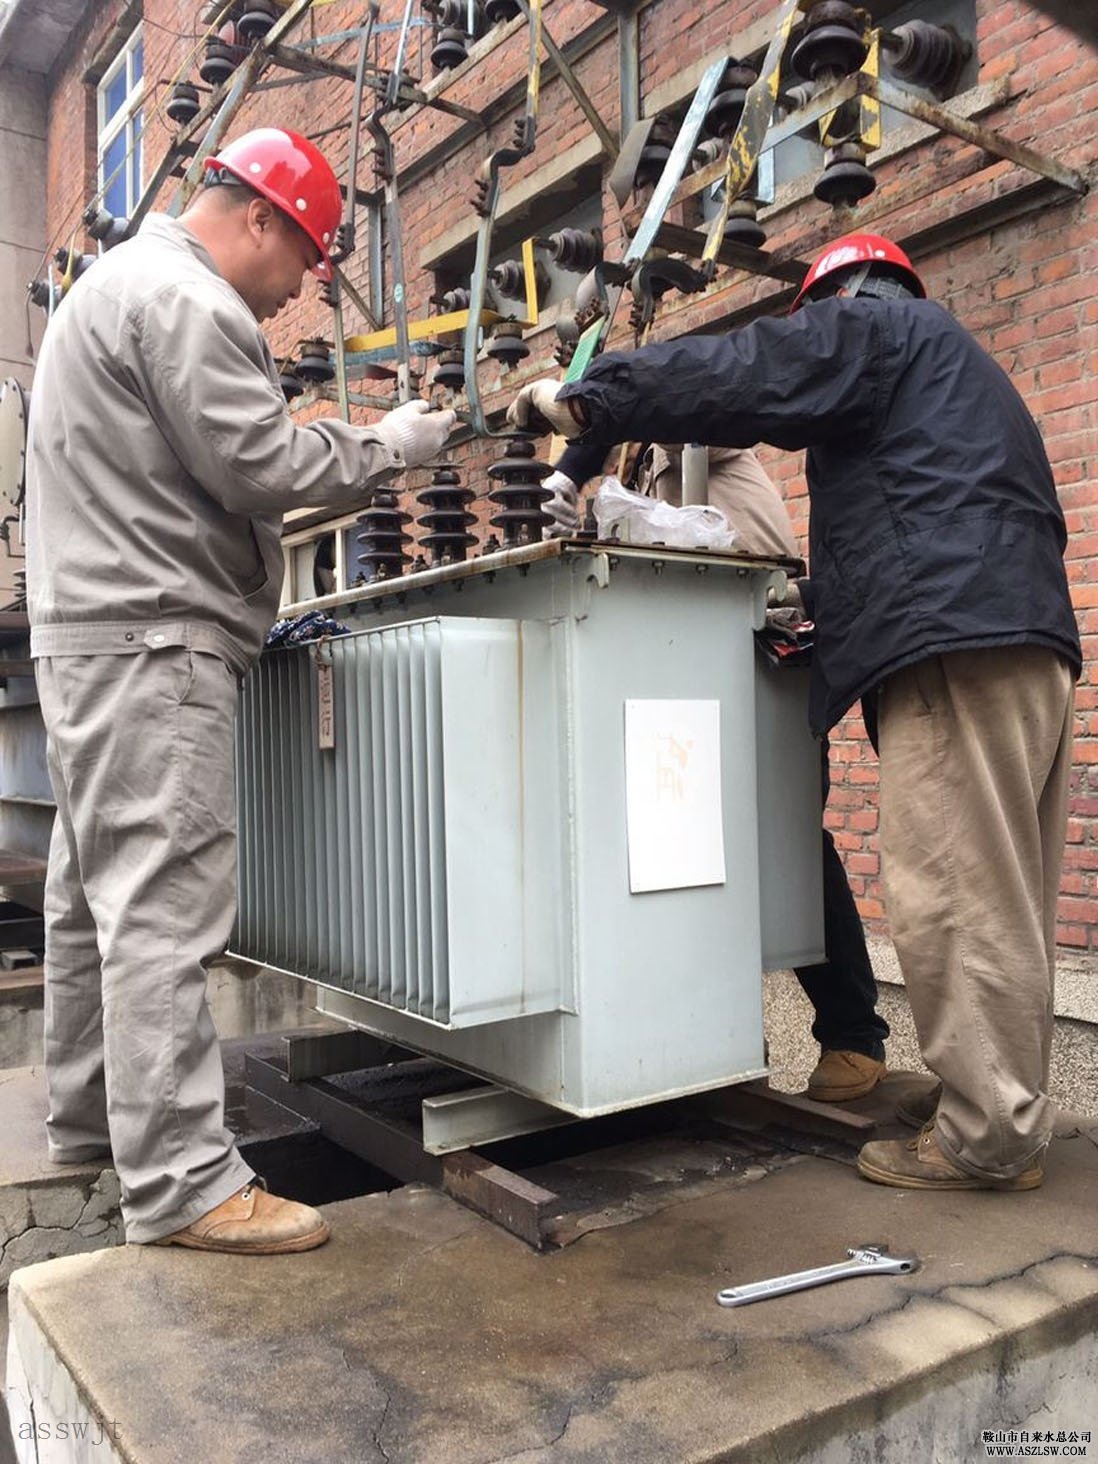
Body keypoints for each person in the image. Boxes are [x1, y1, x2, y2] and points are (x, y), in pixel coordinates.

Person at [509, 231, 1080, 1192]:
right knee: (1003, 895)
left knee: (954, 896)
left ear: (838, 301)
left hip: (955, 646)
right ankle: (993, 1098)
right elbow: (923, 526)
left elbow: (754, 368)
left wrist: (592, 398)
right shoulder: (956, 373)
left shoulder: (876, 332)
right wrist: (814, 600)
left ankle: (988, 1138)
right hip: (1019, 637)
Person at [26, 127, 456, 1253]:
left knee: (92, 891)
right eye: (304, 259)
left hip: (91, 638)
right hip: (155, 641)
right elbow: (263, 464)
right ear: (260, 216)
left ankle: (94, 1123)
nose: (297, 293)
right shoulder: (188, 298)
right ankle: (182, 1183)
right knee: (164, 902)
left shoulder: (111, 283)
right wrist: (391, 445)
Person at [545, 440, 890, 1103]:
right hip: (692, 672)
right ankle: (719, 1043)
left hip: (762, 668)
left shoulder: (708, 441)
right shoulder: (647, 464)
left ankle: (854, 1035)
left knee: (790, 846)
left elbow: (677, 408)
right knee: (689, 857)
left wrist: (577, 449)